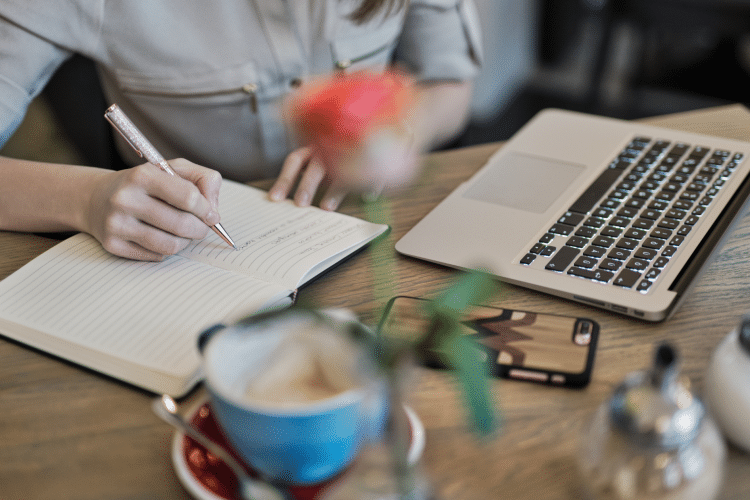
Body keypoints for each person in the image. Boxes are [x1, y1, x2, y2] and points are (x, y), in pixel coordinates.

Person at [0, 0, 482, 261]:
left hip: (371, 232)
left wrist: (395, 136)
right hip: (178, 251)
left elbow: (449, 82)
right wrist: (87, 198)